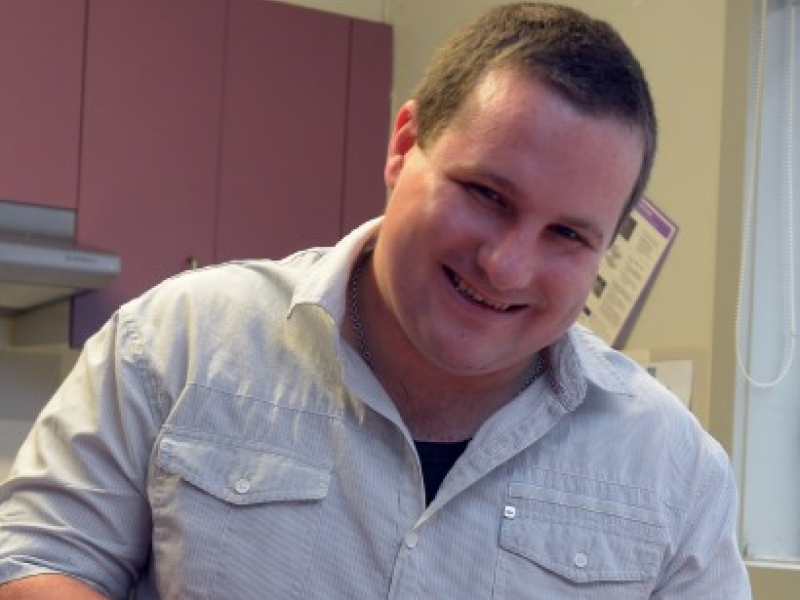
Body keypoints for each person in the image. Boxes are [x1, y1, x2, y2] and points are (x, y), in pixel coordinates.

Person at [0, 3, 751, 598]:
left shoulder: (674, 471)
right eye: (487, 194)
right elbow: (35, 555)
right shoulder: (177, 340)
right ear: (404, 145)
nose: (507, 264)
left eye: (567, 235)